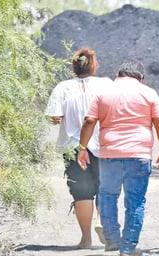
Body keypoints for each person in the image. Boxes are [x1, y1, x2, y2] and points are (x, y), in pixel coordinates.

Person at [77, 59, 159, 256]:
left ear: (118, 75)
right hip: (139, 155)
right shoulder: (148, 93)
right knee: (135, 201)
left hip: (110, 154)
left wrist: (82, 148)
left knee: (108, 196)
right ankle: (127, 247)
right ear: (141, 78)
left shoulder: (103, 93)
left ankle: (112, 240)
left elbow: (89, 121)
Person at [44, 47, 112, 249]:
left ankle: (86, 239)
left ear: (73, 67)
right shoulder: (106, 84)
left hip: (73, 146)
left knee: (82, 192)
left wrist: (63, 118)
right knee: (104, 187)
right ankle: (101, 221)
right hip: (102, 144)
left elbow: (53, 117)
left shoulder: (63, 87)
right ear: (94, 65)